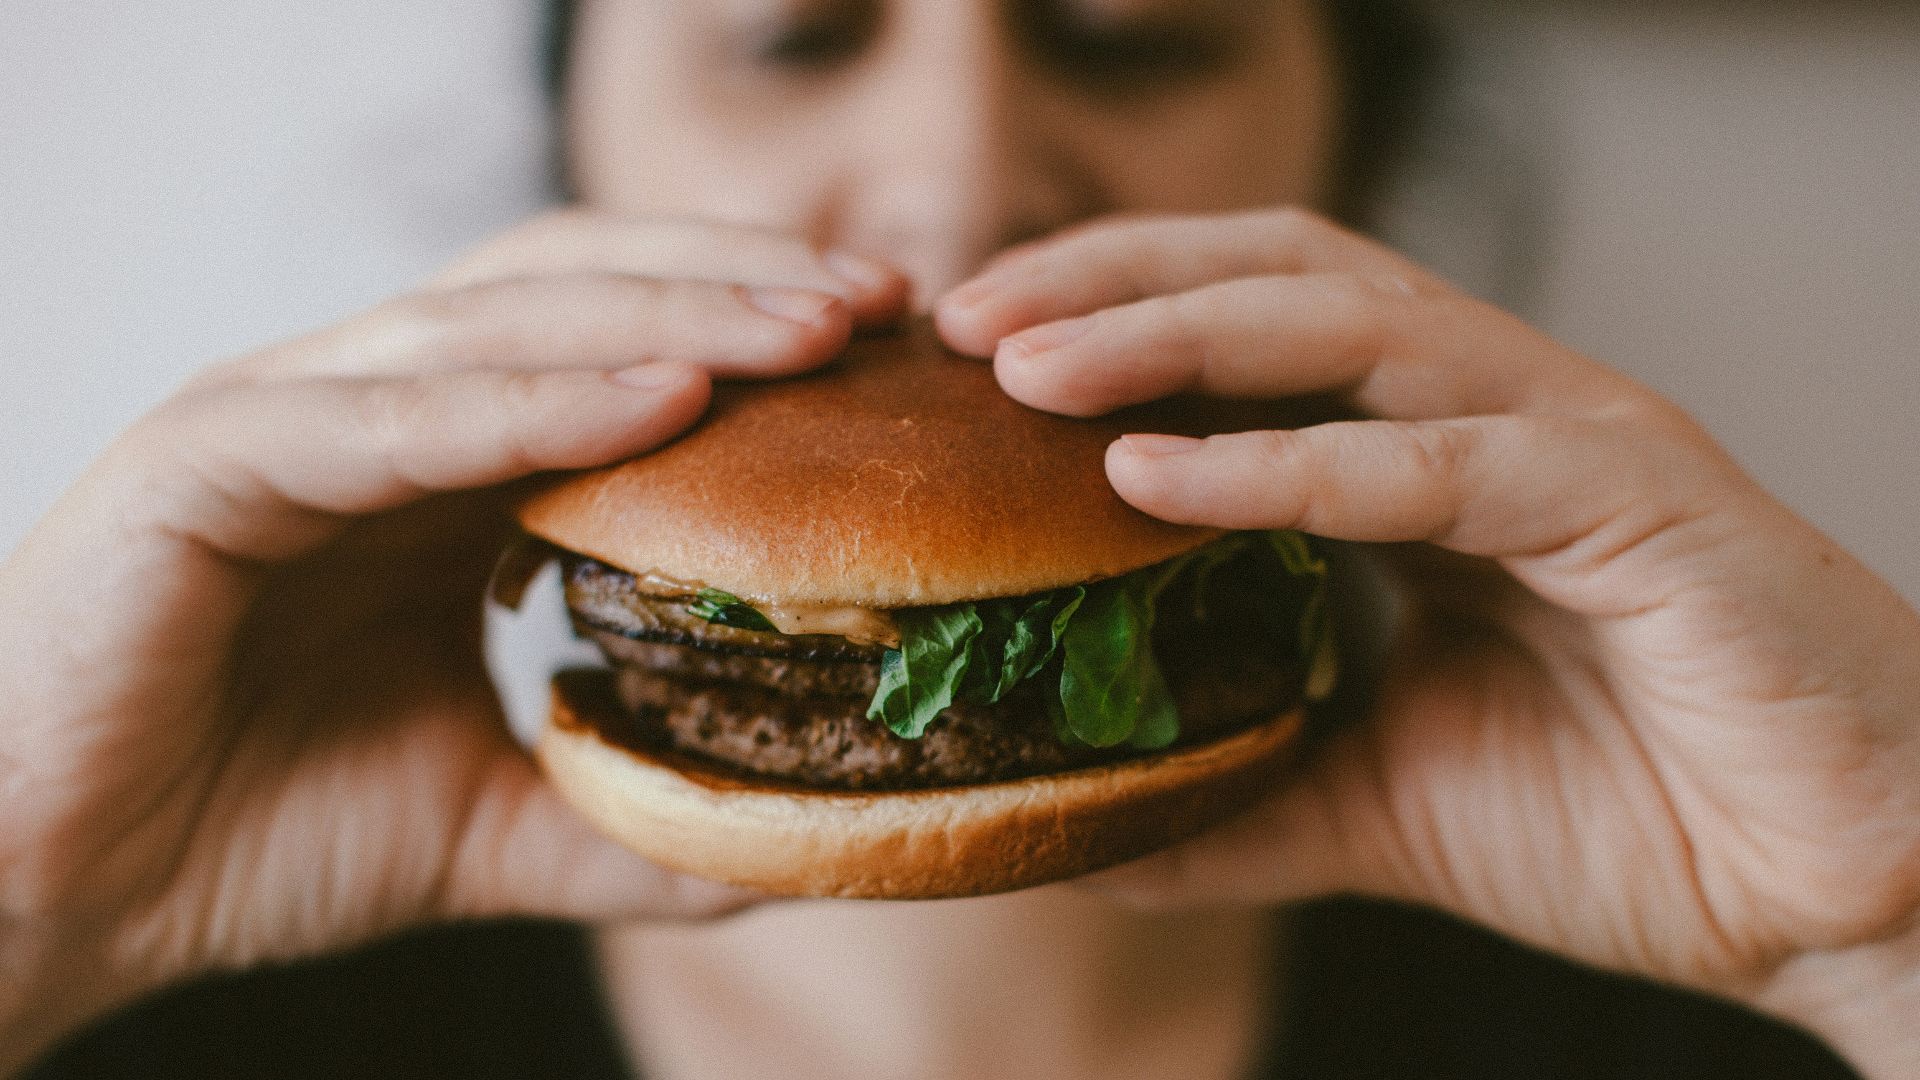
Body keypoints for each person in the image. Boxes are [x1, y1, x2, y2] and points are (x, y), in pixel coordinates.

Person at [4, 1, 1916, 1077]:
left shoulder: (1706, 999)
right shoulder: (174, 1008)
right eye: (787, 34)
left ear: (1345, 165)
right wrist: (29, 912)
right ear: (577, 159)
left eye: (1141, 38)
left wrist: (1885, 940)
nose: (959, 178)